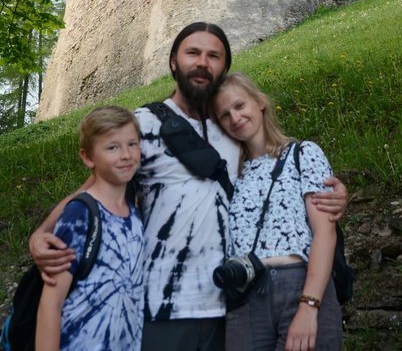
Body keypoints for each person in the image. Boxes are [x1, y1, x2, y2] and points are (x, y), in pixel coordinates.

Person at [30, 22, 348, 351]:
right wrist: (43, 232)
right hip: (163, 306)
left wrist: (333, 194)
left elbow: (276, 173)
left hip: (229, 305)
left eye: (214, 56)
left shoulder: (231, 130)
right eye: (193, 53)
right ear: (173, 62)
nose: (202, 63)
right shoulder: (144, 124)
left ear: (224, 69)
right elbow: (95, 186)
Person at [211, 72, 343, 351]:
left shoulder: (303, 154)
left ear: (260, 103)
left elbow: (325, 233)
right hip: (245, 296)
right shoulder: (229, 176)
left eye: (239, 106)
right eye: (224, 115)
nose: (234, 118)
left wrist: (309, 305)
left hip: (299, 283)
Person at [35, 106, 144, 351]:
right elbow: (51, 304)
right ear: (87, 157)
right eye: (112, 148)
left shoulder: (134, 215)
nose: (126, 155)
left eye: (132, 144)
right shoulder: (80, 214)